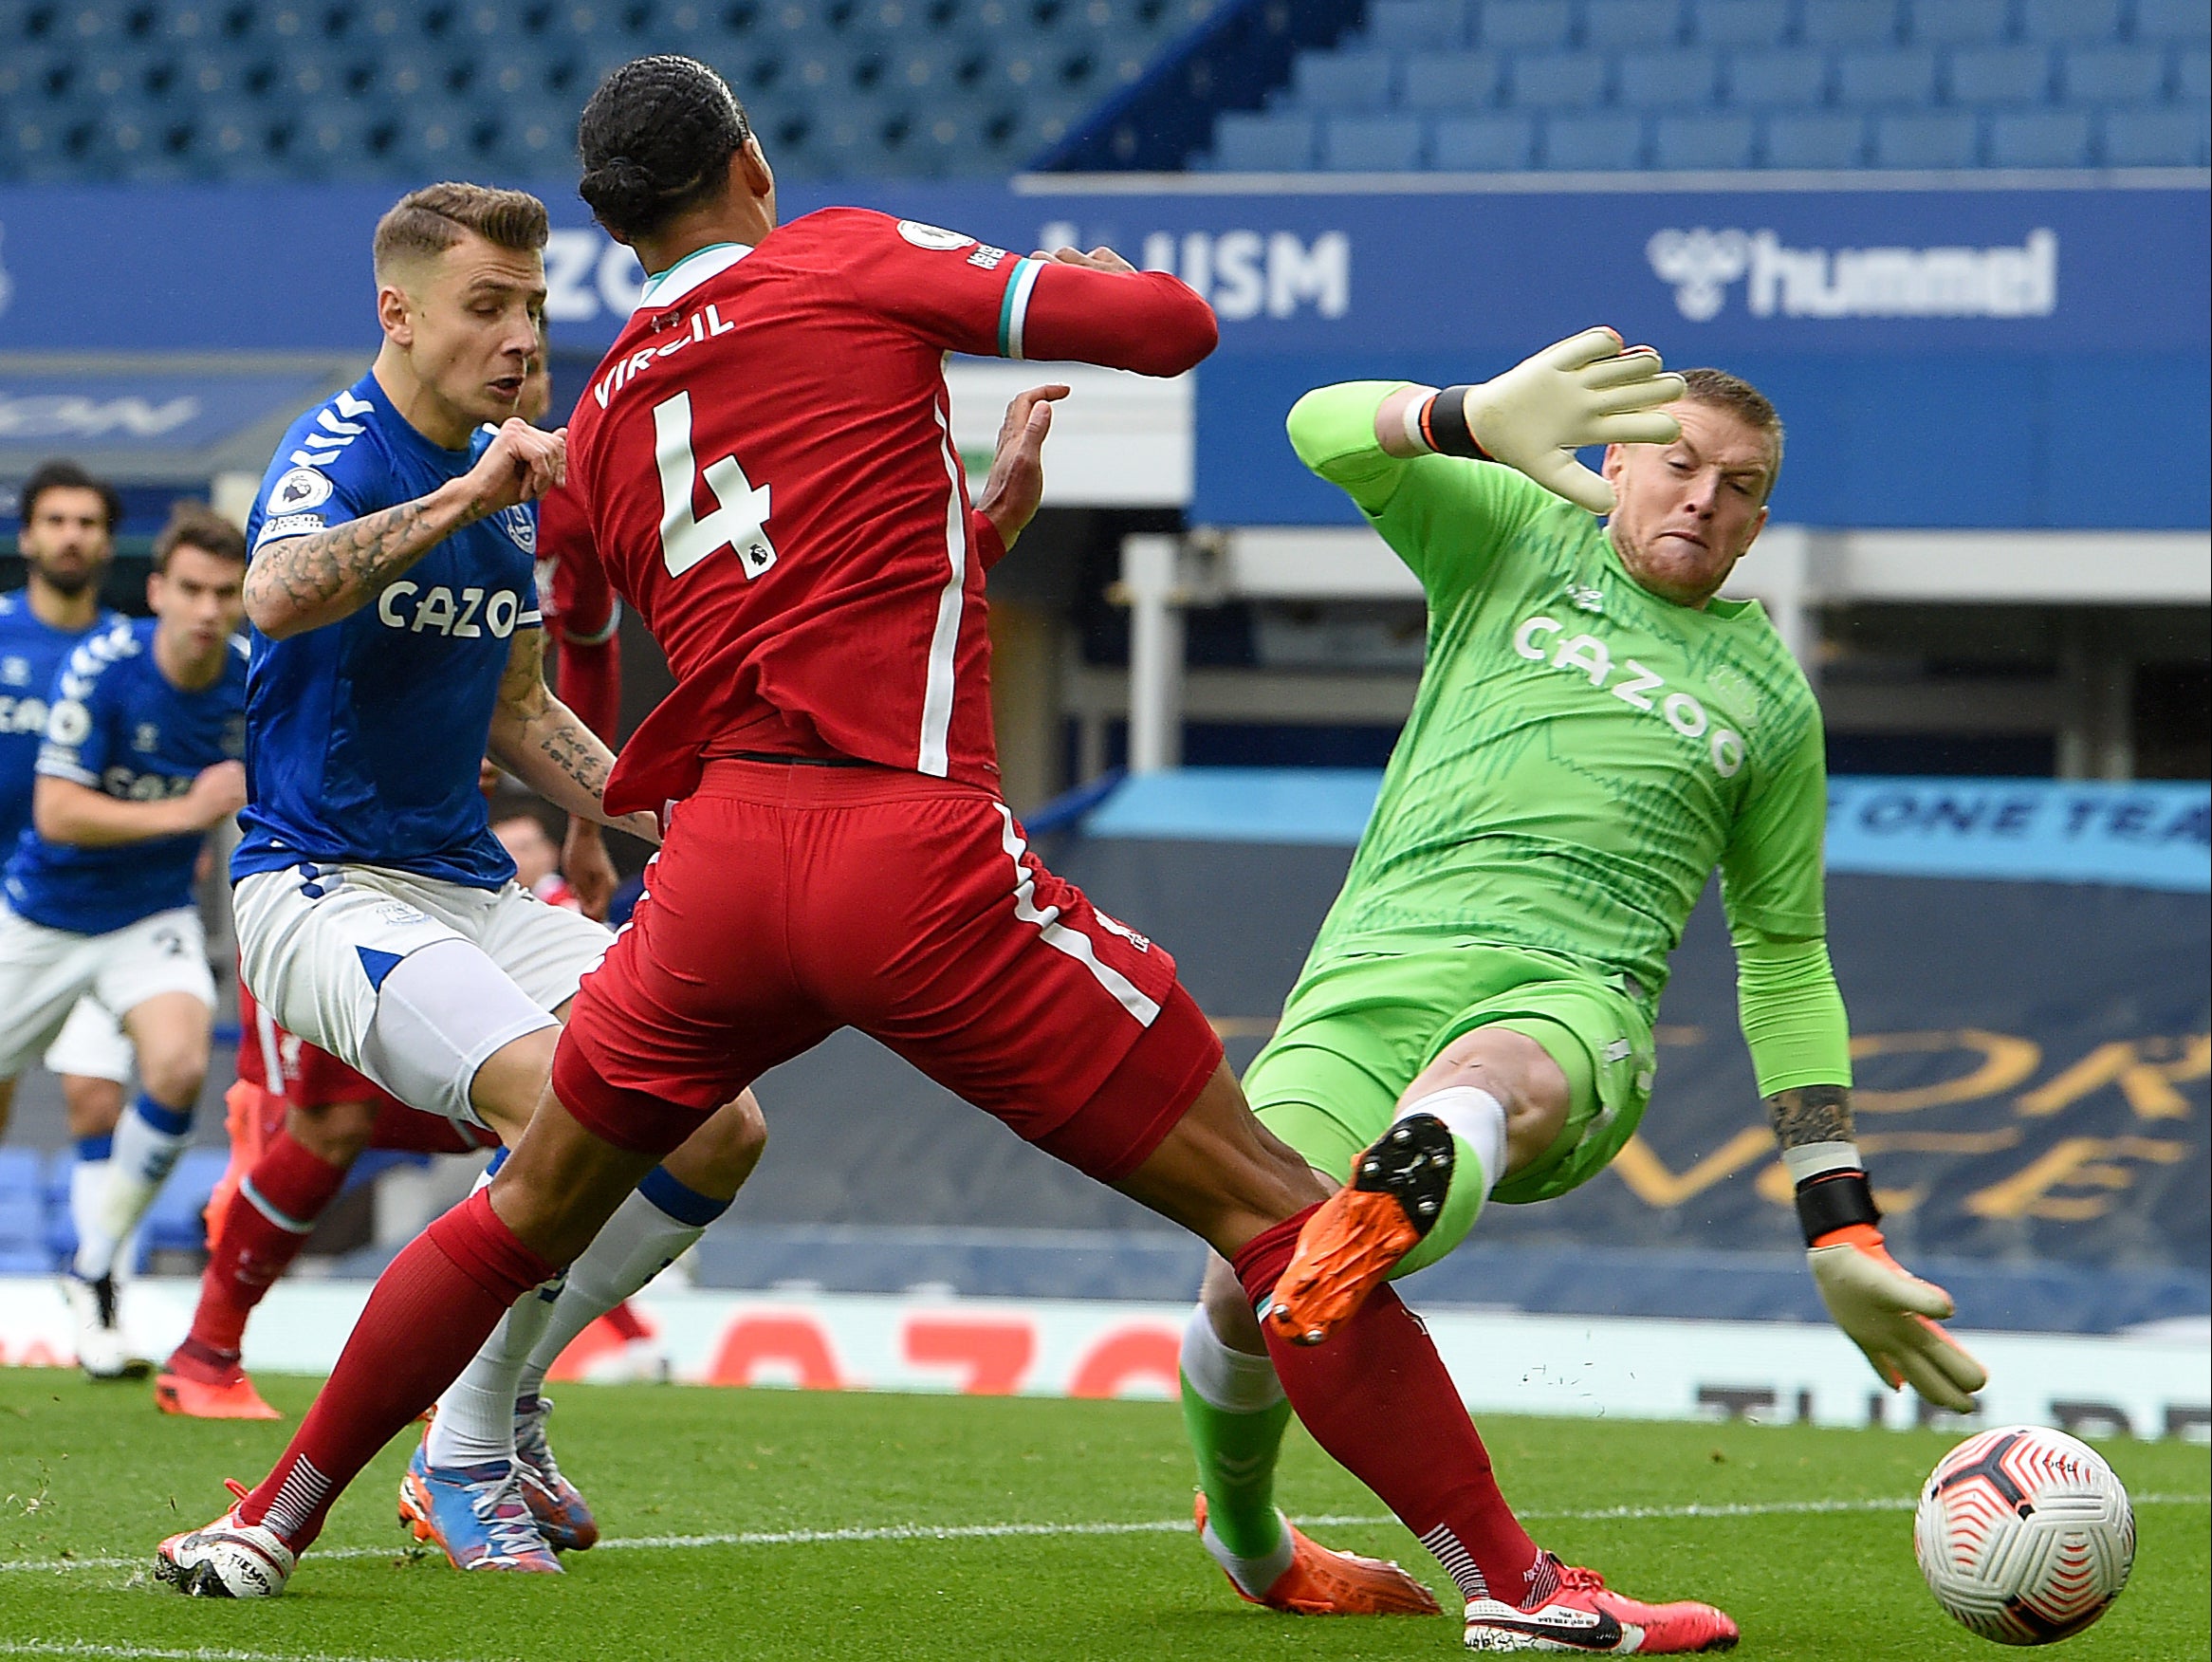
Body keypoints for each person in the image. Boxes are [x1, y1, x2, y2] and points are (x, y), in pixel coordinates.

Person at [157, 62, 1732, 1655]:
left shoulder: (610, 409)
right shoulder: (840, 254)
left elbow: (765, 599)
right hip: (904, 856)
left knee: (528, 1203)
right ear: (751, 164)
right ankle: (1518, 1587)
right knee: (1276, 1213)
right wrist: (1128, 301)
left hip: (721, 877)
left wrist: (970, 532)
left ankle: (266, 1520)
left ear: (615, 235)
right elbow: (1173, 329)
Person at [1175, 340, 1988, 1644]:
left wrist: (1840, 1222)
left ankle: (1396, 1201)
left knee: (1483, 1082)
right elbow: (1314, 426)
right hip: (1374, 971)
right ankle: (1253, 1537)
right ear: (1614, 462)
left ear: (1760, 522)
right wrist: (1468, 416)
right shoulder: (1510, 533)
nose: (1704, 500)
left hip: (1573, 1002)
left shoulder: (1770, 701)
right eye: (1680, 464)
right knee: (1245, 1281)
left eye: (1740, 487)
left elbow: (1785, 959)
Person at [153, 178, 767, 1575]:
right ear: (399, 312)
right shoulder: (345, 447)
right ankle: (465, 1442)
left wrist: (683, 815)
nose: (520, 337)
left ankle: (500, 1401)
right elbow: (275, 592)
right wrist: (463, 497)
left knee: (717, 1121)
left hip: (468, 886)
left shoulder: (504, 490)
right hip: (320, 887)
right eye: (487, 306)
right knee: (563, 1103)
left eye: (532, 307)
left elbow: (521, 711)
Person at [0, 503, 249, 1377]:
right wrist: (186, 812)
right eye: (192, 589)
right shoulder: (103, 666)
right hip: (43, 913)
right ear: (157, 591)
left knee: (178, 1066)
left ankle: (96, 1268)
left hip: (150, 916)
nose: (207, 609)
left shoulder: (251, 679)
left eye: (225, 592)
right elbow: (56, 811)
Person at [0, 460, 141, 1371]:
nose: (71, 536)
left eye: (87, 522)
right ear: (27, 536)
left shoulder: (132, 651)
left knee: (99, 1098)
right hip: (7, 903)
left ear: (107, 541)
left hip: (101, 906)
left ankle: (100, 1303)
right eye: (55, 520)